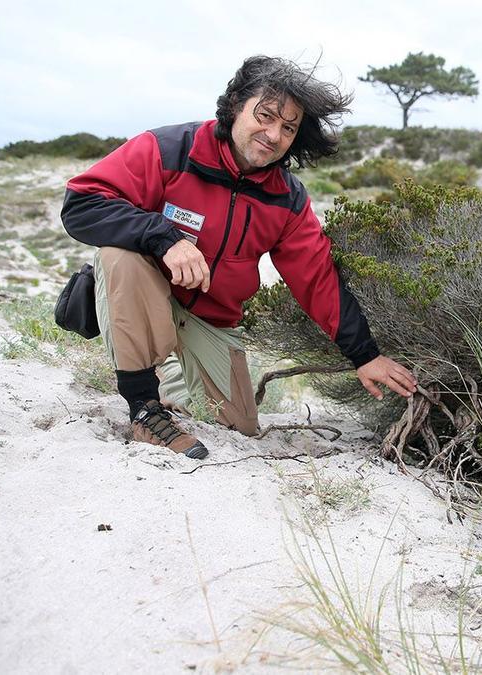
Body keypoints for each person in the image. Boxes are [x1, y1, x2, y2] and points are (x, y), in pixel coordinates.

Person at [61, 55, 417, 460]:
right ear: (235, 106)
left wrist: (365, 356)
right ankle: (144, 405)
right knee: (120, 255)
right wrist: (163, 236)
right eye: (264, 116)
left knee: (240, 427)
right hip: (148, 287)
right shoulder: (168, 149)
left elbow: (317, 279)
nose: (273, 134)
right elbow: (81, 204)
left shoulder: (288, 198)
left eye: (288, 128)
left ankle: (171, 377)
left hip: (211, 316)